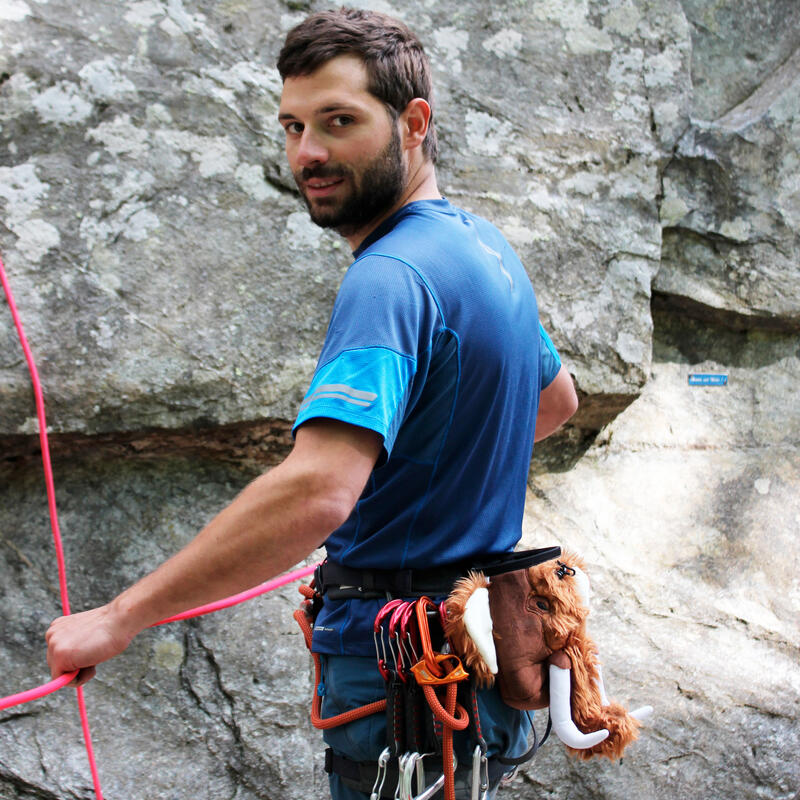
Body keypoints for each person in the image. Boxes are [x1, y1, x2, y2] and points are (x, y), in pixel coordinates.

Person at [46, 8, 579, 799]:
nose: (309, 153)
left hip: (409, 687)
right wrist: (431, 493)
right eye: (293, 126)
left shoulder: (390, 277)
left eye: (339, 122)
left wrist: (121, 615)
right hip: (473, 674)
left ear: (413, 123)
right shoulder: (479, 245)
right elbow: (553, 403)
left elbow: (319, 491)